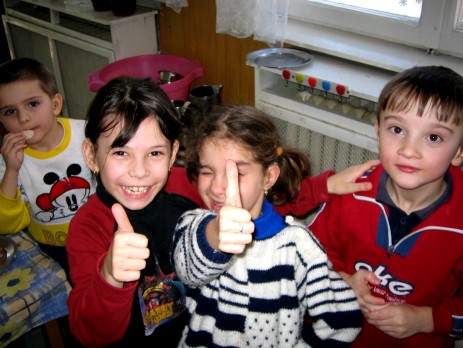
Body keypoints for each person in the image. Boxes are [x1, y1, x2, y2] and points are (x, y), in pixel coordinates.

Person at [172, 104, 364, 347]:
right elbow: (187, 269)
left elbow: (343, 321)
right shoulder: (194, 225)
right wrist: (216, 236)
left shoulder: (299, 247)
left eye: (237, 174)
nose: (217, 188)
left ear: (269, 177)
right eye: (207, 172)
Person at [308, 65, 463, 348]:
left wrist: (426, 320)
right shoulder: (351, 191)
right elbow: (311, 253)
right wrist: (342, 281)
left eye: (433, 137)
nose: (408, 150)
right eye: (397, 129)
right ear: (378, 130)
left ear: (460, 151)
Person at [66, 76, 200, 347]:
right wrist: (110, 276)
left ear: (173, 153)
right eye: (120, 153)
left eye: (154, 154)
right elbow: (89, 334)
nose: (139, 172)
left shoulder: (188, 186)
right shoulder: (88, 227)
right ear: (91, 155)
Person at [0, 57, 95, 278]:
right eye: (9, 112)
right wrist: (12, 170)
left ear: (55, 104)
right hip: (52, 249)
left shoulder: (88, 134)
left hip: (100, 236)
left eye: (33, 104)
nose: (23, 118)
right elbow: (7, 225)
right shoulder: (8, 160)